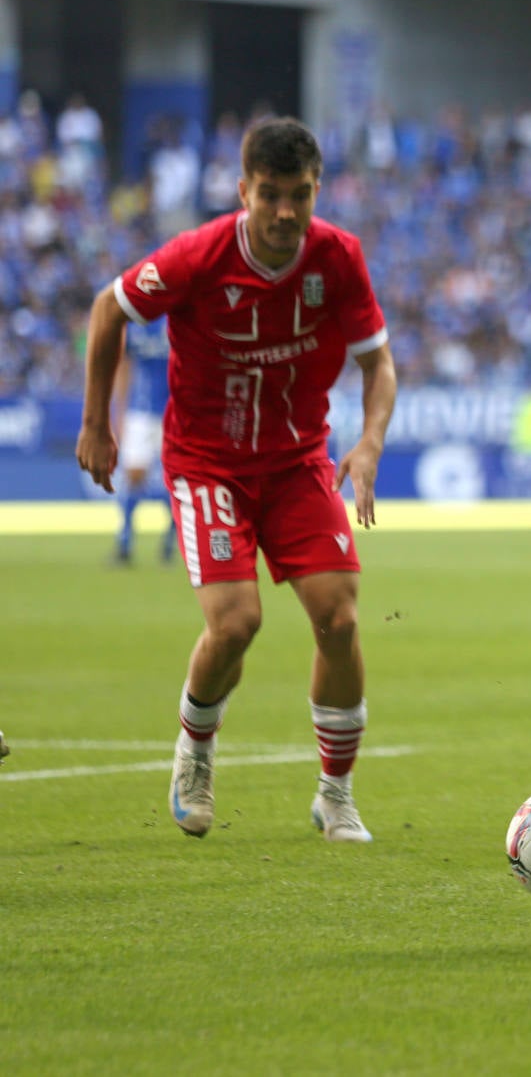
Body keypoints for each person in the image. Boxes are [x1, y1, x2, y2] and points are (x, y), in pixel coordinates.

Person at [76, 117, 397, 843]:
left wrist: (370, 441)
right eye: (271, 195)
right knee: (236, 625)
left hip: (296, 463)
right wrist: (97, 422)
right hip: (207, 464)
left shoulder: (338, 258)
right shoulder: (199, 256)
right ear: (243, 190)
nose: (287, 212)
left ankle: (335, 794)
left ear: (319, 191)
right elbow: (108, 308)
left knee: (340, 619)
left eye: (301, 196)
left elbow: (378, 365)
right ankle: (195, 752)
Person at [109, 315, 176, 565]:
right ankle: (125, 540)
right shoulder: (134, 324)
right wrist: (120, 411)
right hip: (141, 410)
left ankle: (171, 538)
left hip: (175, 410)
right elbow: (124, 366)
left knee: (176, 479)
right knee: (133, 474)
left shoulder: (179, 319)